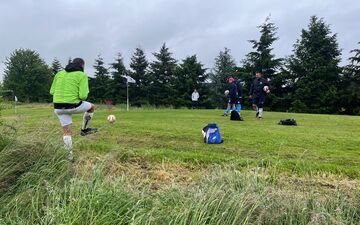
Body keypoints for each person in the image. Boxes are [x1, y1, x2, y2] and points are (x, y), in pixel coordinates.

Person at [50, 58, 97, 161]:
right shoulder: (82, 75)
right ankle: (84, 129)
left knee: (67, 132)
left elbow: (52, 91)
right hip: (73, 105)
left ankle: (70, 158)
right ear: (82, 65)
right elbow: (83, 96)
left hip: (58, 107)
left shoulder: (59, 74)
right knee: (92, 107)